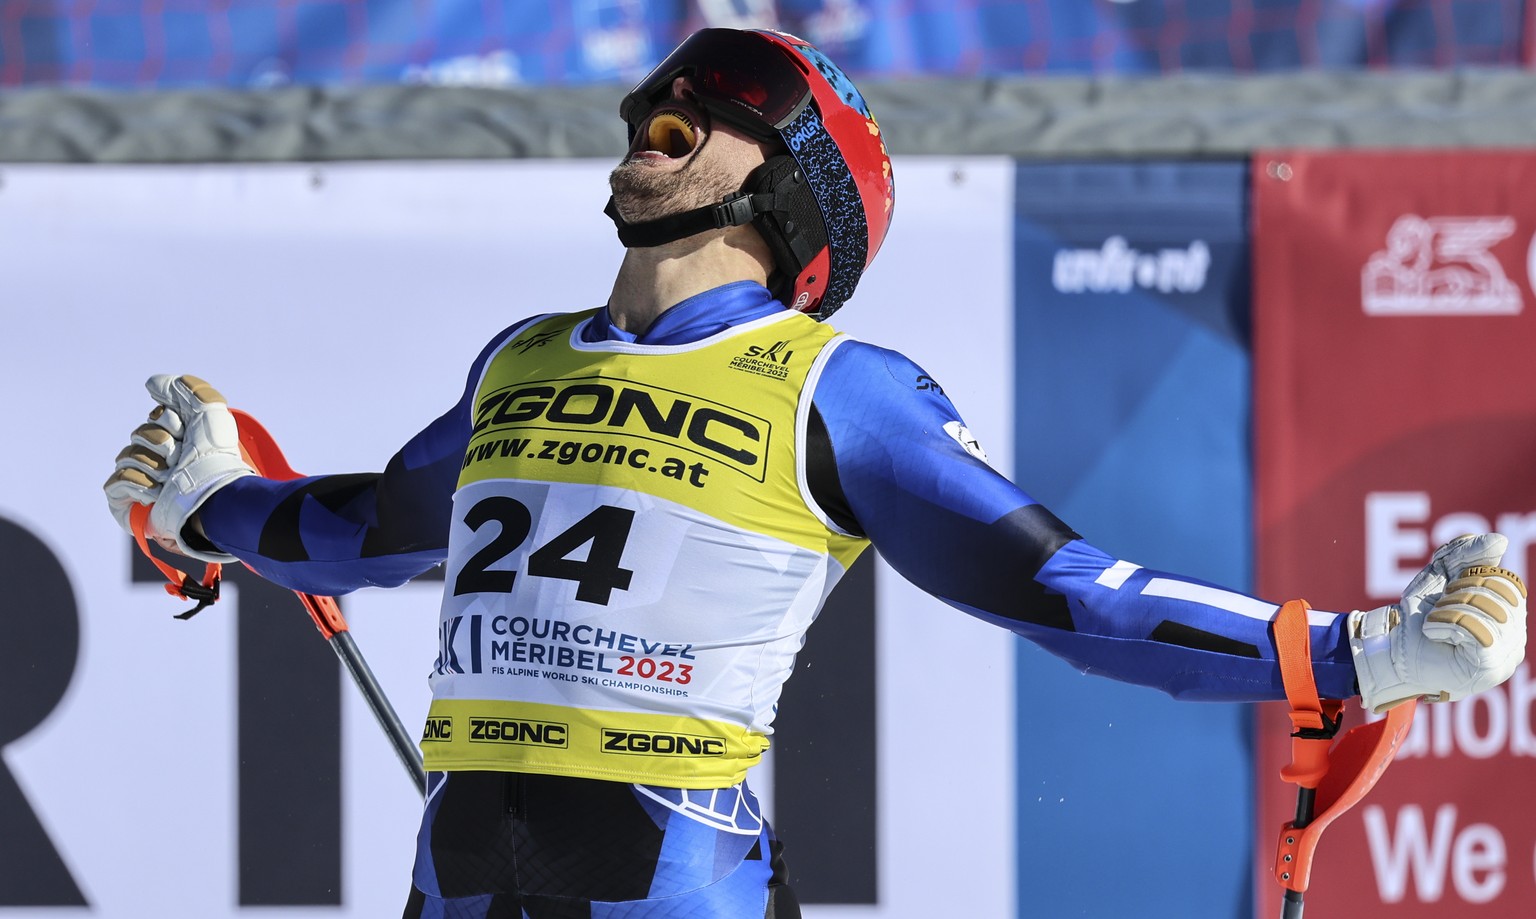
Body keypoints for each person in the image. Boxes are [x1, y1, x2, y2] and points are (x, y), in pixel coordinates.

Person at [104, 27, 1528, 919]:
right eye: (661, 97)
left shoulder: (838, 389)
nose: (657, 112)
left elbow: (1076, 597)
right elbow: (372, 531)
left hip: (676, 885)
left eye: (707, 108)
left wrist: (1361, 653)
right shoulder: (520, 359)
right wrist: (210, 509)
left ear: (789, 185)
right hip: (457, 877)